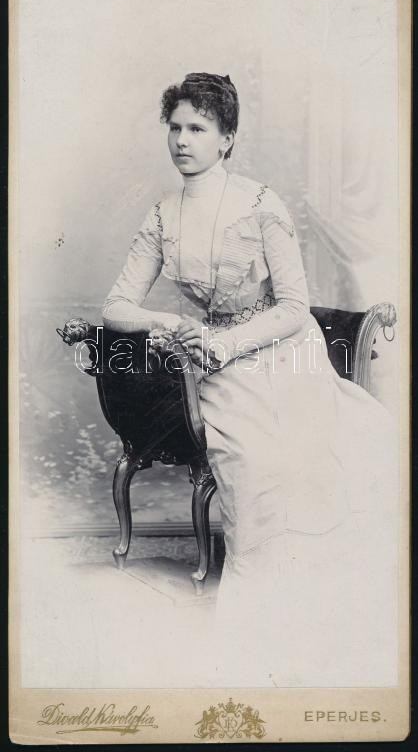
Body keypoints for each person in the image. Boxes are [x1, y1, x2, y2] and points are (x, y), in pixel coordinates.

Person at [102, 72, 398, 687]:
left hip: (282, 352)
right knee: (253, 461)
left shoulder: (262, 205)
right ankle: (268, 631)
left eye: (198, 128)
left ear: (228, 138)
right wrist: (170, 322)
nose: (182, 141)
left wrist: (226, 342)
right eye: (175, 128)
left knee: (315, 453)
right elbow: (116, 306)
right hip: (216, 365)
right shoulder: (162, 216)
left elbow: (293, 307)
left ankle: (327, 617)